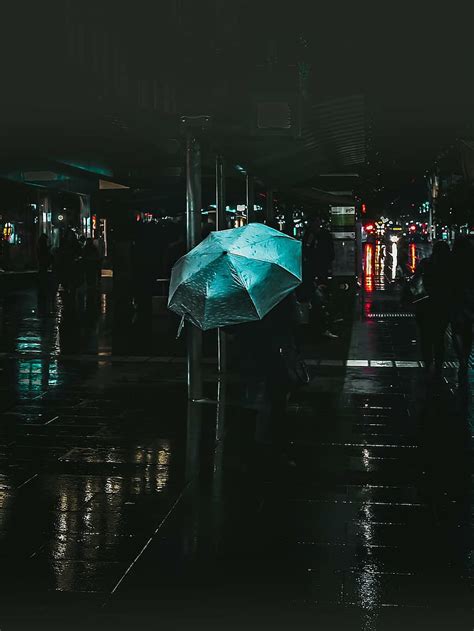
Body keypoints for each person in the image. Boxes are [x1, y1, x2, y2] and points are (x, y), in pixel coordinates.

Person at [412, 240, 452, 379]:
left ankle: (428, 362)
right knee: (439, 337)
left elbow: (415, 281)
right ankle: (439, 365)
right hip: (443, 305)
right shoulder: (451, 266)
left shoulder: (425, 263)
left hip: (425, 305)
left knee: (425, 336)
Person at [450, 236, 474, 386]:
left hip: (455, 300)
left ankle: (462, 359)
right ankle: (465, 356)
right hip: (469, 302)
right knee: (467, 332)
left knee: (456, 331)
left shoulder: (452, 261)